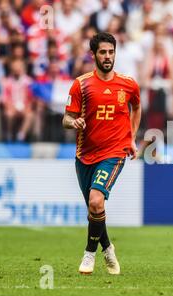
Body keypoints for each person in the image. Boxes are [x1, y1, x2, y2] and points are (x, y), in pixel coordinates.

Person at [62, 32, 141, 275]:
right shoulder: (81, 84)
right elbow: (66, 117)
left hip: (114, 152)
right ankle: (107, 248)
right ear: (94, 55)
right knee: (94, 209)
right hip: (84, 154)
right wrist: (73, 123)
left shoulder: (128, 84)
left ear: (115, 53)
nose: (107, 56)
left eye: (111, 52)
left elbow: (136, 107)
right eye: (103, 52)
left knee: (96, 201)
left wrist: (132, 137)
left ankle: (88, 255)